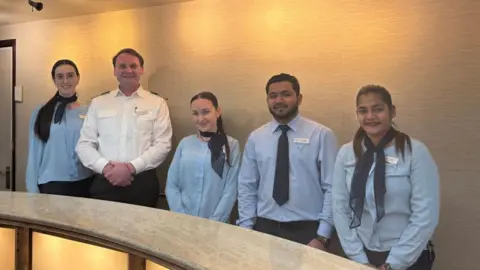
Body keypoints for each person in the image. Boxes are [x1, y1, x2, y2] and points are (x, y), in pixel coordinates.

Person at [332, 85, 439, 270]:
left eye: (378, 109)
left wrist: (394, 264)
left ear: (392, 111)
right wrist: (359, 260)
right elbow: (340, 208)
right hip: (361, 254)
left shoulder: (415, 152)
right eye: (363, 111)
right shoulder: (346, 153)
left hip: (407, 256)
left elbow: (425, 216)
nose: (370, 116)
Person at [237, 73, 338, 250]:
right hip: (264, 227)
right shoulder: (256, 138)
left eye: (286, 94)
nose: (279, 100)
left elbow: (333, 187)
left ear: (299, 98)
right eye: (272, 95)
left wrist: (322, 236)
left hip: (308, 230)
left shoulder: (321, 135)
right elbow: (247, 186)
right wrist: (246, 228)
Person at [75, 48, 172, 207]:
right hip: (105, 181)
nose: (128, 70)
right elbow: (84, 144)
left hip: (142, 183)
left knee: (140, 230)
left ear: (141, 69)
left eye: (133, 66)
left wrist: (131, 168)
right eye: (122, 66)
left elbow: (163, 144)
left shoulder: (157, 103)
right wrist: (106, 168)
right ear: (114, 70)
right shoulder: (99, 103)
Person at [166, 92, 240, 222]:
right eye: (195, 113)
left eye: (206, 112)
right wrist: (181, 216)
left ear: (217, 112)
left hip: (216, 225)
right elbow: (172, 184)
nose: (200, 119)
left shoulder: (231, 145)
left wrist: (215, 221)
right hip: (181, 221)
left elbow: (231, 189)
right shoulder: (185, 144)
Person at [26, 59, 93, 197]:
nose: (65, 81)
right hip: (52, 183)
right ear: (54, 80)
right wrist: (32, 190)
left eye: (70, 75)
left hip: (85, 181)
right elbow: (34, 153)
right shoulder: (42, 111)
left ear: (77, 78)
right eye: (60, 76)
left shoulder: (89, 111)